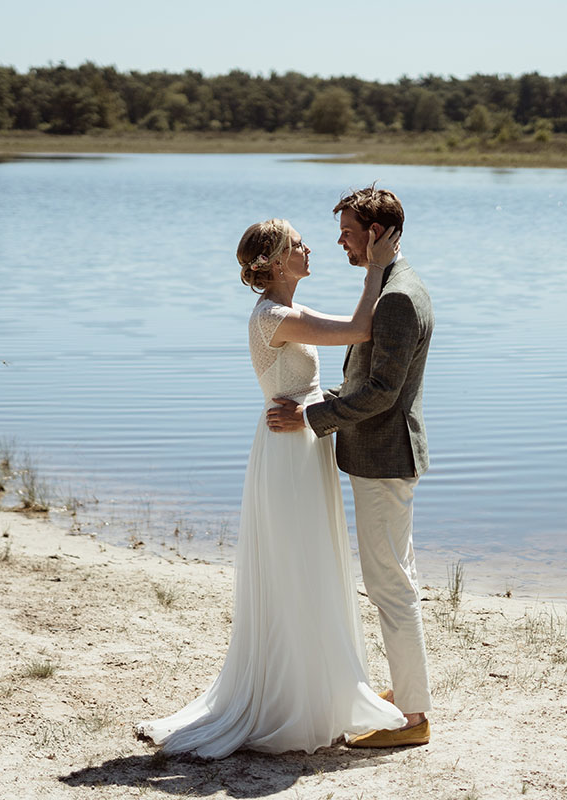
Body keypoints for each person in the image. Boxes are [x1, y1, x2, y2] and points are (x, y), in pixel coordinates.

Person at [138, 218, 405, 759]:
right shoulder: (275, 317)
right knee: (297, 567)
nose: (309, 249)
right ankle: (293, 702)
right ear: (278, 263)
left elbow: (329, 358)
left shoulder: (282, 313)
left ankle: (317, 691)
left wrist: (313, 408)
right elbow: (362, 328)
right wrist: (377, 266)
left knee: (311, 565)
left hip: (301, 443)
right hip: (288, 454)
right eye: (297, 244)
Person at [267, 186, 434, 748]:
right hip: (383, 456)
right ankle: (408, 696)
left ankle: (413, 720)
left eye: (347, 230)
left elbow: (383, 393)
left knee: (390, 587)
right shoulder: (391, 287)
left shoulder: (397, 298)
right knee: (396, 579)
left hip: (384, 457)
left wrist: (314, 415)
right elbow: (367, 383)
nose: (339, 240)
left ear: (379, 231)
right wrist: (328, 401)